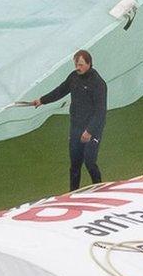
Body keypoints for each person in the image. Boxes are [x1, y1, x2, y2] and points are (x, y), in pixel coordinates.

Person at [34, 50, 109, 191]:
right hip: (76, 127)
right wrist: (42, 100)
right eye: (76, 64)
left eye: (80, 65)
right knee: (75, 165)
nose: (77, 68)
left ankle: (100, 190)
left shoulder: (98, 83)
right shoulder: (74, 77)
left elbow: (100, 112)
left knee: (90, 162)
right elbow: (60, 91)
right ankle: (72, 194)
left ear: (89, 64)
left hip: (92, 129)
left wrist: (89, 131)